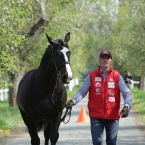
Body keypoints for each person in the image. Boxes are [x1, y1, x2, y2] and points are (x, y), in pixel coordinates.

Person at [65, 50, 132, 145]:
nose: (105, 60)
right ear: (99, 61)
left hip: (112, 117)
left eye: (107, 58)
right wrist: (73, 101)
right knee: (97, 142)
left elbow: (127, 93)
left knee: (111, 142)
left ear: (111, 61)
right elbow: (82, 91)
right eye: (103, 58)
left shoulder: (117, 76)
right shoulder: (92, 75)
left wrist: (127, 106)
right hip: (96, 116)